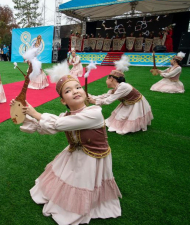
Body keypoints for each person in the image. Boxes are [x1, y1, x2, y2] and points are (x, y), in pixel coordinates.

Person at [11, 60, 122, 224]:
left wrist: (36, 114)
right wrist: (24, 112)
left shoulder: (94, 113)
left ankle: (78, 207)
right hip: (77, 149)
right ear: (63, 100)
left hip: (93, 156)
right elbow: (51, 127)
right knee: (62, 176)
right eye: (68, 91)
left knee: (82, 184)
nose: (76, 91)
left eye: (78, 87)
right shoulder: (67, 116)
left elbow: (56, 124)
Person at [88, 56, 153, 135]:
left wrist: (95, 102)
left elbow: (109, 100)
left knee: (126, 122)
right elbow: (105, 96)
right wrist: (91, 96)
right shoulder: (117, 88)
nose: (106, 81)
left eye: (106, 79)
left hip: (136, 103)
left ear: (111, 79)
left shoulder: (123, 87)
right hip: (127, 102)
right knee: (117, 120)